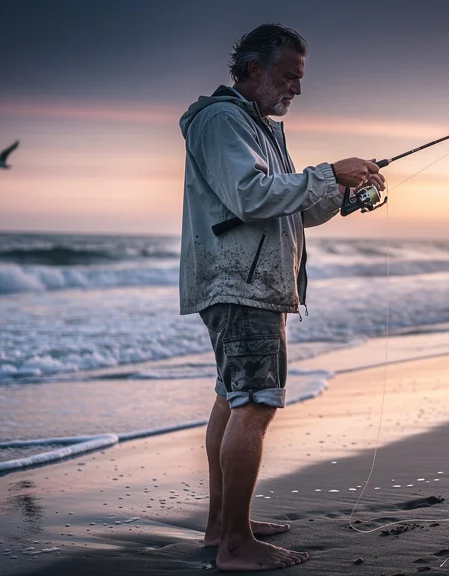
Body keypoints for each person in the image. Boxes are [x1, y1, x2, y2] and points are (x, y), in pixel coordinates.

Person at [178, 23, 385, 571]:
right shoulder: (222, 120)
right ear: (252, 70)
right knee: (255, 403)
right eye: (289, 76)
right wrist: (326, 171)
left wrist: (343, 191)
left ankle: (222, 525)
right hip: (241, 285)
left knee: (232, 396)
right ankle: (236, 546)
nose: (296, 88)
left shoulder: (259, 127)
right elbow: (249, 195)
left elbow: (288, 205)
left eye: (299, 78)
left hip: (249, 282)